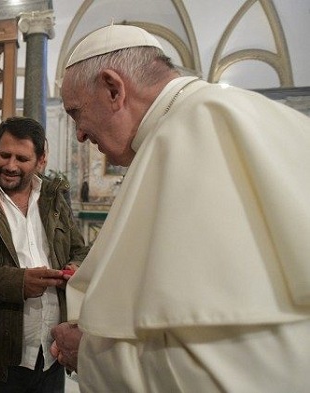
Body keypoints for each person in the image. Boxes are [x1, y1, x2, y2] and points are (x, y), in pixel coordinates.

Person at [51, 24, 310, 392]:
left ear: (113, 89)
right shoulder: (248, 114)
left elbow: (222, 372)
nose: (78, 133)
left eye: (76, 113)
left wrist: (91, 354)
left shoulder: (197, 130)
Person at [0, 116, 89, 392]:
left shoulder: (54, 200)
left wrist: (74, 267)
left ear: (41, 160)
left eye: (21, 158)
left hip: (50, 354)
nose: (10, 166)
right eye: (4, 155)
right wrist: (19, 283)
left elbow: (80, 250)